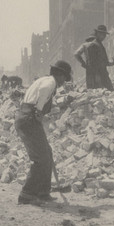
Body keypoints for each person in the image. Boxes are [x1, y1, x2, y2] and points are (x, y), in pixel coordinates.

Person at [15, 60, 72, 205]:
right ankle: (27, 194)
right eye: (64, 78)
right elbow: (41, 96)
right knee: (41, 158)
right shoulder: (50, 82)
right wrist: (38, 112)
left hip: (26, 117)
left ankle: (43, 192)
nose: (64, 82)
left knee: (47, 152)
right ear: (60, 75)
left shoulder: (43, 79)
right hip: (29, 119)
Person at [74, 25, 114, 91]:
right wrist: (84, 64)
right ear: (97, 34)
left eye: (105, 34)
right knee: (99, 93)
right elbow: (93, 63)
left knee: (105, 93)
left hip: (101, 74)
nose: (104, 36)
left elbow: (105, 62)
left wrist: (112, 63)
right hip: (97, 75)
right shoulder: (93, 45)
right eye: (102, 34)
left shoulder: (100, 45)